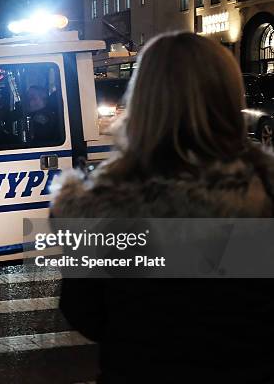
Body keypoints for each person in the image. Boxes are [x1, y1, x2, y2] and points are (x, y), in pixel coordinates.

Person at [51, 32, 274, 383]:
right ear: (230, 97)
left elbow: (85, 314)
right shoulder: (266, 194)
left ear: (142, 100)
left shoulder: (98, 205)